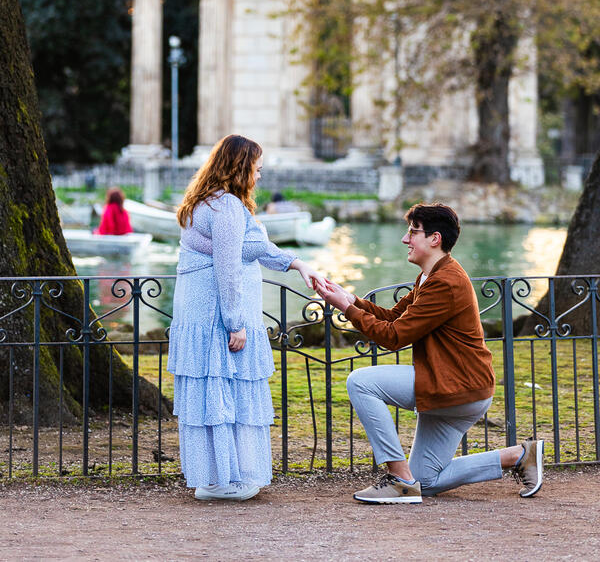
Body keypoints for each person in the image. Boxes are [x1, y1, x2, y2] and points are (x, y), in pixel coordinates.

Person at [314, 202, 544, 504]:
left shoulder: (445, 282)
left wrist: (347, 309)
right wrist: (350, 299)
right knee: (427, 481)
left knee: (361, 382)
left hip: (458, 385)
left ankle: (398, 478)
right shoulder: (431, 276)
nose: (405, 239)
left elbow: (394, 337)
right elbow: (394, 316)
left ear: (434, 239)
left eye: (413, 232)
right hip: (456, 387)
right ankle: (518, 455)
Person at [167, 134, 325, 501]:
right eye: (256, 168)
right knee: (224, 395)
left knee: (212, 395)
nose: (259, 176)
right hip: (214, 316)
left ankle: (215, 477)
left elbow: (249, 246)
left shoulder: (207, 203)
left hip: (199, 313)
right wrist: (235, 322)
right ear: (241, 167)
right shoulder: (226, 209)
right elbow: (227, 268)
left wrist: (296, 263)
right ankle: (226, 480)